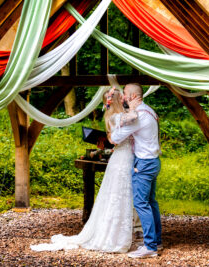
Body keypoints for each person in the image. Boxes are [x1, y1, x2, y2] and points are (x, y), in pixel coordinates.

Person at [30, 88, 141, 253]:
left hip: (121, 157)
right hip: (124, 159)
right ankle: (117, 235)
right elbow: (134, 117)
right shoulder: (118, 117)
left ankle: (118, 232)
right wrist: (134, 106)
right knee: (120, 195)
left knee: (117, 195)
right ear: (119, 100)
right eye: (122, 97)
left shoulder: (111, 116)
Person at [110, 83, 162, 259]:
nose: (122, 97)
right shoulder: (149, 111)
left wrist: (119, 121)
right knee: (151, 202)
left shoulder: (138, 116)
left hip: (144, 164)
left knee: (141, 203)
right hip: (154, 161)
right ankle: (157, 241)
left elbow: (116, 138)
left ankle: (150, 247)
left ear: (132, 96)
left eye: (124, 94)